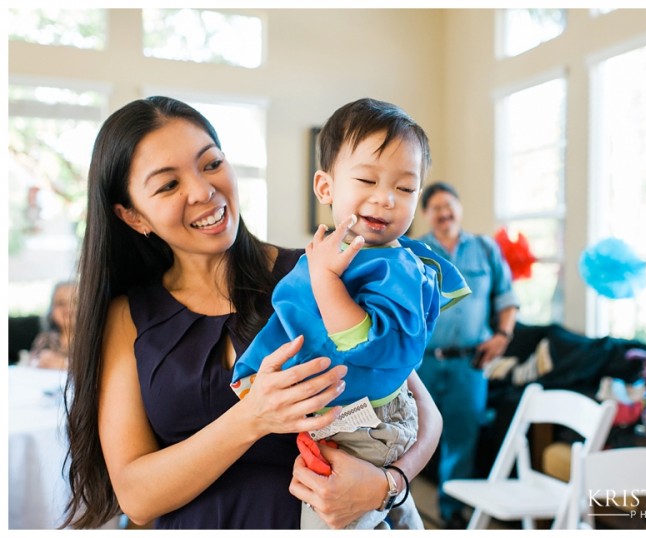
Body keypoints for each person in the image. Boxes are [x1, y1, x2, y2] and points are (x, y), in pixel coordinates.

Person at [63, 96, 443, 530]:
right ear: (132, 216)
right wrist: (253, 417)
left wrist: (385, 485)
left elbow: (421, 411)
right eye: (169, 185)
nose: (204, 191)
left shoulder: (318, 274)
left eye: (210, 164)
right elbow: (136, 496)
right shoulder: (128, 317)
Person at [231, 98, 470, 530]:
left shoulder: (399, 267)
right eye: (367, 179)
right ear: (325, 187)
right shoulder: (331, 253)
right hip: (342, 420)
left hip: (367, 424)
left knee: (333, 521)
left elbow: (369, 343)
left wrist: (325, 281)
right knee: (391, 518)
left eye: (405, 188)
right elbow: (291, 318)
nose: (385, 199)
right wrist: (251, 376)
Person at [417, 181, 519, 529]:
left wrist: (502, 337)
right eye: (436, 208)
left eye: (449, 205)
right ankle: (399, 506)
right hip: (422, 364)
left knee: (463, 438)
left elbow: (507, 300)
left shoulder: (485, 249)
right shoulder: (415, 251)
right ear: (427, 215)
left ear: (459, 208)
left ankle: (451, 510)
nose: (444, 213)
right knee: (410, 435)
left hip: (469, 365)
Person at [28, 280, 77, 370]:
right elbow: (31, 363)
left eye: (75, 302)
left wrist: (65, 364)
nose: (68, 308)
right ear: (51, 311)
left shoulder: (88, 341)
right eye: (61, 303)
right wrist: (39, 362)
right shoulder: (45, 339)